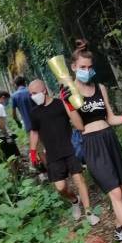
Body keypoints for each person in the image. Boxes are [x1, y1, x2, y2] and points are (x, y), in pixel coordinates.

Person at [71, 43, 122, 243]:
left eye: (89, 67)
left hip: (109, 139)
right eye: (83, 67)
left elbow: (109, 117)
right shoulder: (70, 93)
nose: (87, 71)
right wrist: (69, 103)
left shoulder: (101, 88)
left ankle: (119, 230)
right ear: (73, 67)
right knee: (114, 192)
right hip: (92, 145)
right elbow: (78, 126)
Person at [28, 78, 99, 226]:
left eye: (34, 93)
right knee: (60, 188)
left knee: (79, 180)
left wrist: (68, 103)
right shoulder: (34, 113)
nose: (32, 96)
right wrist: (33, 151)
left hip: (69, 148)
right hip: (53, 154)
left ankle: (88, 212)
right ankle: (74, 200)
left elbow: (77, 121)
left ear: (44, 91)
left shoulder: (60, 104)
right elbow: (34, 132)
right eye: (31, 94)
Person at [0, 90, 20, 161]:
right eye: (7, 100)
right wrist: (7, 137)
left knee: (9, 158)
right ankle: (19, 171)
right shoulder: (0, 107)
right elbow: (1, 124)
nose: (8, 102)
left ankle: (16, 172)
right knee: (14, 157)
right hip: (4, 136)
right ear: (3, 98)